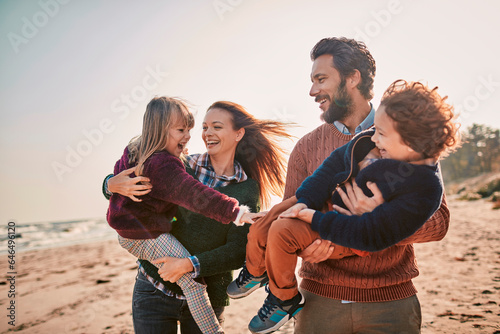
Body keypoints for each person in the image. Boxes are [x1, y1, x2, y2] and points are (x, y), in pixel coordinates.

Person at [227, 79, 460, 333]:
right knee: (269, 221)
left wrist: (366, 215)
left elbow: (433, 226)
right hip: (320, 289)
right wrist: (303, 206)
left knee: (282, 232)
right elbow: (331, 168)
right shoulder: (331, 143)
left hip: (381, 284)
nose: (312, 90)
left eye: (321, 79)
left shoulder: (424, 181)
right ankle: (256, 271)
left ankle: (283, 299)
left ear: (352, 79)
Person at [104, 100, 292, 333]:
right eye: (204, 127)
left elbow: (236, 252)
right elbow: (133, 186)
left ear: (238, 134)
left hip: (208, 297)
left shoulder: (246, 188)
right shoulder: (181, 165)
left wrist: (189, 265)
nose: (207, 133)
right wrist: (109, 184)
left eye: (217, 126)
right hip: (153, 288)